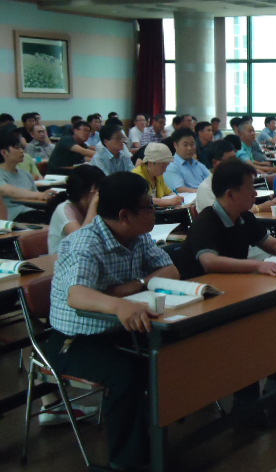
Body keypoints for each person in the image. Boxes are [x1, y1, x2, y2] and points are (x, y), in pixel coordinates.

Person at [45, 172, 179, 471]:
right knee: (127, 374)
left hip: (121, 331)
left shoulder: (138, 236)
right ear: (124, 215)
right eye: (149, 207)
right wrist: (119, 304)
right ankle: (125, 462)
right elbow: (77, 295)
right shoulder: (85, 243)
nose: (154, 212)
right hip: (75, 340)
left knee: (172, 354)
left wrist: (133, 286)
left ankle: (153, 442)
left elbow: (171, 272)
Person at [180, 159, 276, 400]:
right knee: (248, 333)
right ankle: (247, 406)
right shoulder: (206, 222)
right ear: (231, 193)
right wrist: (258, 265)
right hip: (203, 301)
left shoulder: (243, 217)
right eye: (250, 187)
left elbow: (272, 244)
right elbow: (209, 261)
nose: (255, 193)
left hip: (235, 292)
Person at [48, 165, 105, 253]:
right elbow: (82, 242)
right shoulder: (63, 210)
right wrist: (94, 204)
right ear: (93, 190)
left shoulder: (92, 208)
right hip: (61, 259)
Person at [0, 131, 55, 222]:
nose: (22, 151)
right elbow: (9, 191)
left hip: (33, 213)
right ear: (4, 152)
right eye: (17, 148)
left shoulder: (25, 174)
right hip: (14, 218)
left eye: (21, 147)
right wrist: (40, 195)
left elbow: (38, 200)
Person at [132, 143, 185, 207]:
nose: (165, 170)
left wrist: (177, 198)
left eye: (166, 166)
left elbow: (167, 192)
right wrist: (168, 201)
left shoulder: (158, 175)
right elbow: (143, 200)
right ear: (150, 163)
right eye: (163, 166)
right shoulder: (136, 177)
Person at [164, 128, 210, 193]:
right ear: (175, 145)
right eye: (185, 145)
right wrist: (203, 193)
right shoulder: (171, 165)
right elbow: (179, 189)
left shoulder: (198, 164)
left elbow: (212, 181)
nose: (189, 148)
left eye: (192, 144)